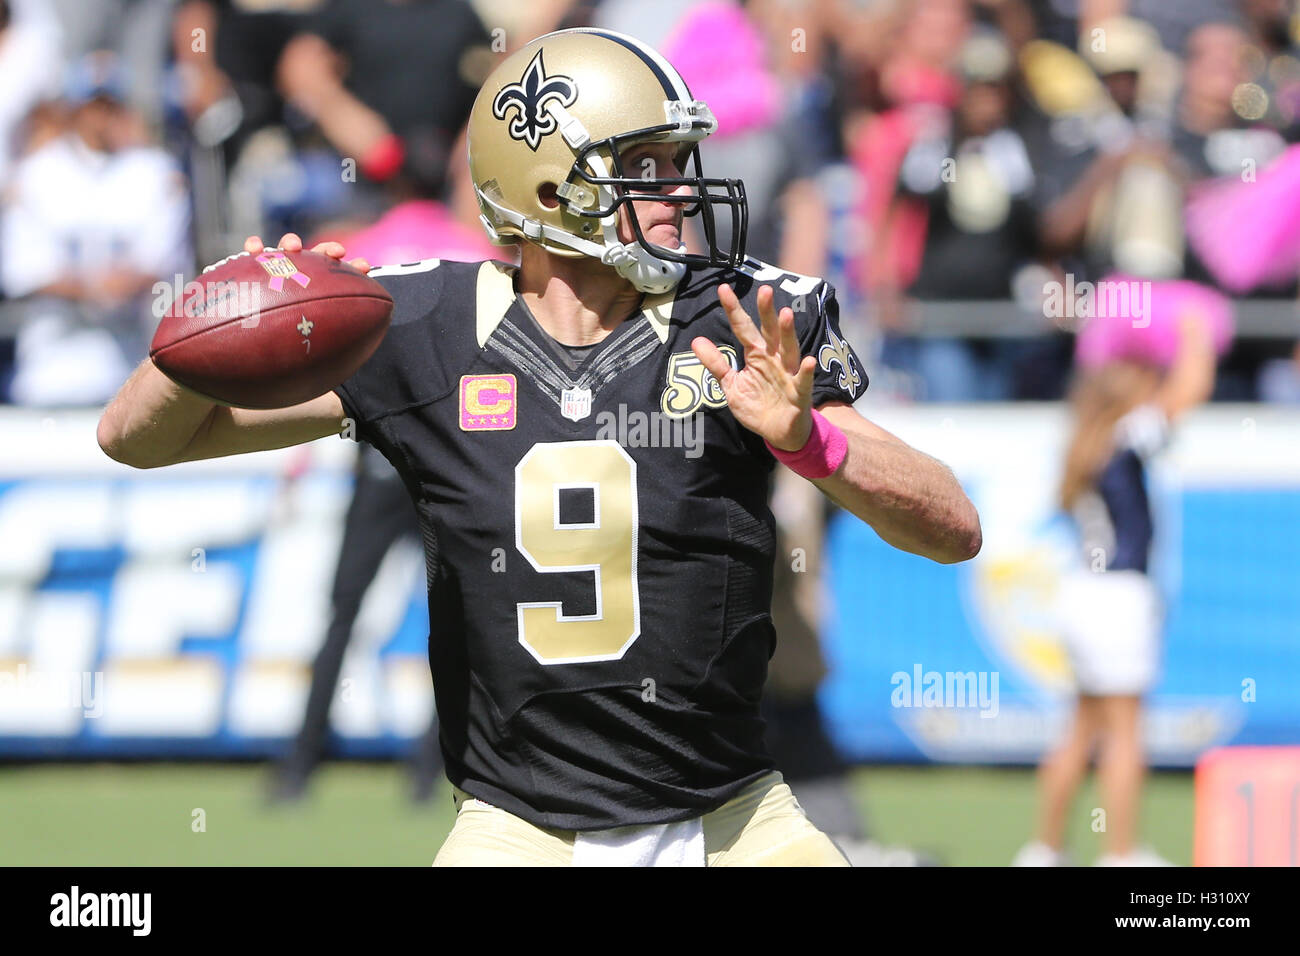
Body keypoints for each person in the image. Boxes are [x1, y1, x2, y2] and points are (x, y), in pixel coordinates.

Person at [98, 28, 981, 866]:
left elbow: (952, 526)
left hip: (732, 819)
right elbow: (139, 439)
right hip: (519, 830)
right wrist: (220, 321)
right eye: (644, 166)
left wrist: (809, 438)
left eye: (679, 162)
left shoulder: (739, 319)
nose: (678, 190)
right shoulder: (421, 329)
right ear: (549, 191)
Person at [1014, 315, 1216, 867]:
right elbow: (1192, 388)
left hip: (1080, 594)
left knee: (1080, 730)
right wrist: (1196, 325)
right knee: (1126, 734)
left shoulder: (1087, 440)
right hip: (1119, 599)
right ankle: (1122, 854)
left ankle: (1044, 850)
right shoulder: (1129, 434)